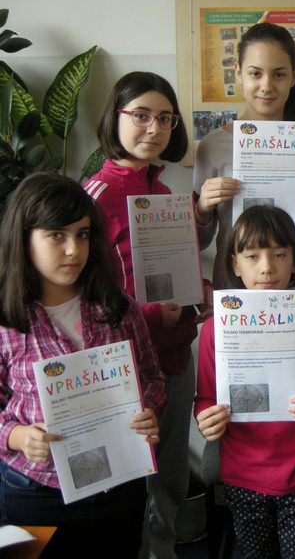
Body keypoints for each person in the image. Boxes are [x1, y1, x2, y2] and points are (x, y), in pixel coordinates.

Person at [0, 172, 166, 558]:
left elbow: (152, 376)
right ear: (24, 238)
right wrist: (18, 436)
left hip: (119, 485)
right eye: (56, 235)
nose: (74, 250)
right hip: (38, 491)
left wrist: (147, 409)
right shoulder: (7, 320)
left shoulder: (115, 305)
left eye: (83, 234)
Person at [83, 71, 200, 559]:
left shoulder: (165, 192)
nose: (155, 128)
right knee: (130, 483)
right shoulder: (95, 196)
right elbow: (85, 300)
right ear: (115, 118)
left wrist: (197, 298)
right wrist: (151, 316)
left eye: (166, 119)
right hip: (125, 367)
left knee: (169, 479)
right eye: (142, 116)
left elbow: (170, 273)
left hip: (175, 356)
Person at [194, 204, 295, 558]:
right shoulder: (215, 330)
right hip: (242, 474)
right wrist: (205, 419)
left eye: (279, 254)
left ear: (294, 261)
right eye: (252, 256)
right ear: (235, 264)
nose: (266, 267)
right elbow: (204, 399)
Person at [193, 21, 295, 310]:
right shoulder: (212, 146)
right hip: (236, 292)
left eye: (279, 74)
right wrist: (203, 209)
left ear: (294, 76)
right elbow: (200, 241)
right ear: (238, 73)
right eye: (255, 73)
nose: (267, 86)